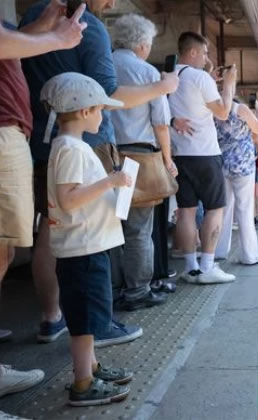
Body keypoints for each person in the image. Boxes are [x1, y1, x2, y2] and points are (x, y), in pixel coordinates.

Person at [20, 0, 178, 346]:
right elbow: (108, 93)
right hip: (88, 142)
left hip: (42, 139)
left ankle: (52, 317)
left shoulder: (30, 18)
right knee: (96, 230)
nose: (111, 3)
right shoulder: (87, 26)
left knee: (51, 225)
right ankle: (97, 323)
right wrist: (161, 87)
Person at [0, 0, 87, 400]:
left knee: (4, 247)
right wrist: (56, 37)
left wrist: (44, 30)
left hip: (10, 134)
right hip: (2, 133)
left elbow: (8, 48)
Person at [42, 72, 133, 406]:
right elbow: (69, 198)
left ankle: (91, 368)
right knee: (84, 320)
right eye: (99, 110)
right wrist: (110, 182)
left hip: (87, 245)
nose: (102, 116)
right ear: (83, 111)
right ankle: (82, 382)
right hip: (82, 248)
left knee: (90, 315)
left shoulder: (70, 147)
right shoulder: (71, 149)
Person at [110, 14, 176, 311]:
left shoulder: (103, 65)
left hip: (105, 155)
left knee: (110, 226)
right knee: (138, 228)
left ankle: (111, 289)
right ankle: (136, 291)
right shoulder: (147, 73)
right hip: (138, 158)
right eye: (148, 43)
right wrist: (168, 159)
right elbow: (161, 123)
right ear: (141, 44)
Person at [168, 31, 237, 284]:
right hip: (206, 154)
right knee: (214, 209)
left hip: (180, 155)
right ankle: (207, 266)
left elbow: (185, 101)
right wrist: (228, 84)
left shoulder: (169, 75)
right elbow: (222, 112)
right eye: (205, 52)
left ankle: (191, 268)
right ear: (193, 52)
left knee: (185, 212)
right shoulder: (200, 78)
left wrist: (209, 79)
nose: (207, 57)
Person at [214, 99, 258, 265]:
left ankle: (219, 251)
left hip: (223, 164)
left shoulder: (215, 109)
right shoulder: (240, 108)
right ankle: (250, 255)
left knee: (223, 210)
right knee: (244, 210)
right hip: (243, 165)